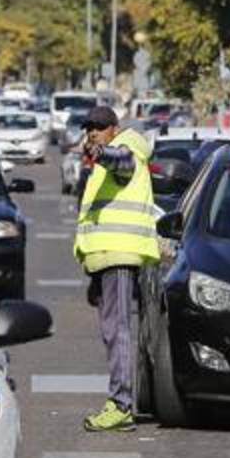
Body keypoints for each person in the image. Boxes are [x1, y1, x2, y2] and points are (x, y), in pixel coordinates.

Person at [74, 104, 160, 432]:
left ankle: (121, 404)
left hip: (121, 254)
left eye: (99, 126)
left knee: (118, 329)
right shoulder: (103, 158)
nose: (92, 131)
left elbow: (121, 164)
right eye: (89, 127)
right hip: (105, 257)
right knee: (112, 330)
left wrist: (101, 152)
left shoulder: (128, 148)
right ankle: (119, 401)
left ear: (114, 127)